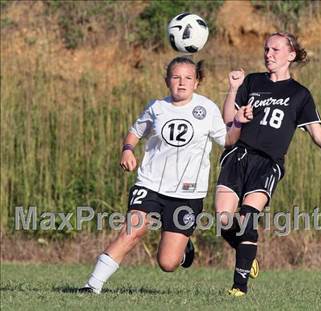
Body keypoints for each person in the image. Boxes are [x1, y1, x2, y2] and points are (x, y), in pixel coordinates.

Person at [79, 56, 253, 294]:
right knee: (133, 230)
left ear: (197, 82)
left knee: (167, 263)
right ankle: (92, 286)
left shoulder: (208, 109)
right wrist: (127, 150)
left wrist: (239, 123)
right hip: (150, 184)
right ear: (167, 80)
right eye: (176, 77)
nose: (181, 83)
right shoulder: (156, 107)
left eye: (188, 78)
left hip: (187, 193)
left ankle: (183, 249)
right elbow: (134, 132)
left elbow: (228, 141)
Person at [216, 32, 321, 297]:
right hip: (237, 157)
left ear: (291, 55)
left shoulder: (300, 94)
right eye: (266, 49)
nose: (269, 54)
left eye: (276, 50)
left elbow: (318, 135)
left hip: (267, 164)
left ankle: (239, 286)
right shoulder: (252, 82)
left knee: (247, 219)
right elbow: (227, 120)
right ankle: (248, 254)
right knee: (224, 220)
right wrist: (234, 90)